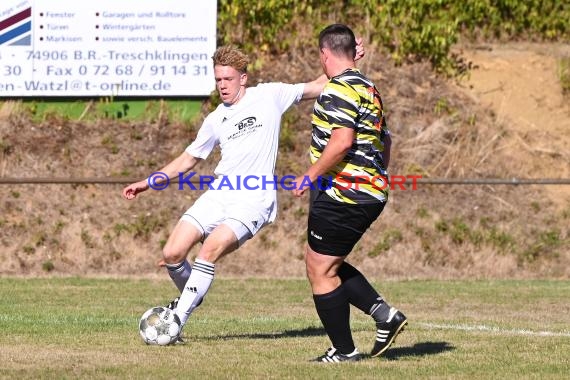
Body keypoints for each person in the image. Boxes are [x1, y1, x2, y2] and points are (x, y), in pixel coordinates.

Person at [122, 43, 364, 341]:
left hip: (254, 200)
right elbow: (189, 159)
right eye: (218, 80)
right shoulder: (215, 119)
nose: (222, 85)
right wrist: (148, 181)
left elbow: (319, 84)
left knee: (209, 250)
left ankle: (177, 321)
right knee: (172, 253)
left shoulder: (270, 95)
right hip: (219, 194)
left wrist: (347, 60)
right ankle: (192, 295)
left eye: (227, 79)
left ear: (243, 78)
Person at [292, 24, 407, 363]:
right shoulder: (368, 87)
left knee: (320, 269)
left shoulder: (338, 90)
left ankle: (345, 350)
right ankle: (384, 316)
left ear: (324, 54)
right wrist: (377, 175)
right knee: (324, 261)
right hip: (369, 190)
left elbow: (341, 142)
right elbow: (385, 141)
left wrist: (310, 174)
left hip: (344, 194)